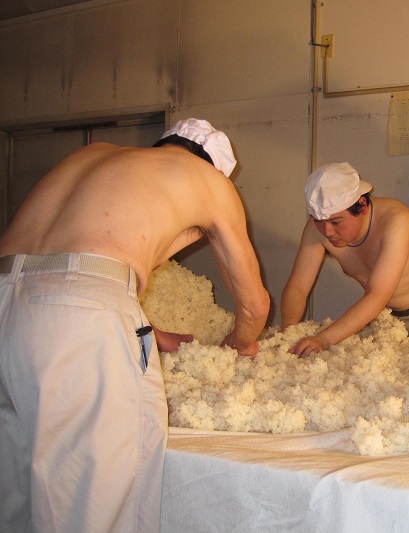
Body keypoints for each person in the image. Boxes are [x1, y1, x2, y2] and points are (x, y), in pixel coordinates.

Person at [0, 118, 270, 532]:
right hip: (76, 313)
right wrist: (239, 345)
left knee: (12, 485)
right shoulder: (211, 183)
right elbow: (253, 305)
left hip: (7, 300)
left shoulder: (93, 155)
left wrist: (147, 331)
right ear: (216, 167)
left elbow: (64, 264)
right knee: (89, 496)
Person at [281, 162, 409, 356]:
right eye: (319, 221)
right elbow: (298, 287)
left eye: (336, 222)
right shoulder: (316, 231)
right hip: (389, 319)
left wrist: (324, 339)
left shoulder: (396, 221)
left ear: (362, 206)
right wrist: (289, 331)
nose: (327, 231)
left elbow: (377, 295)